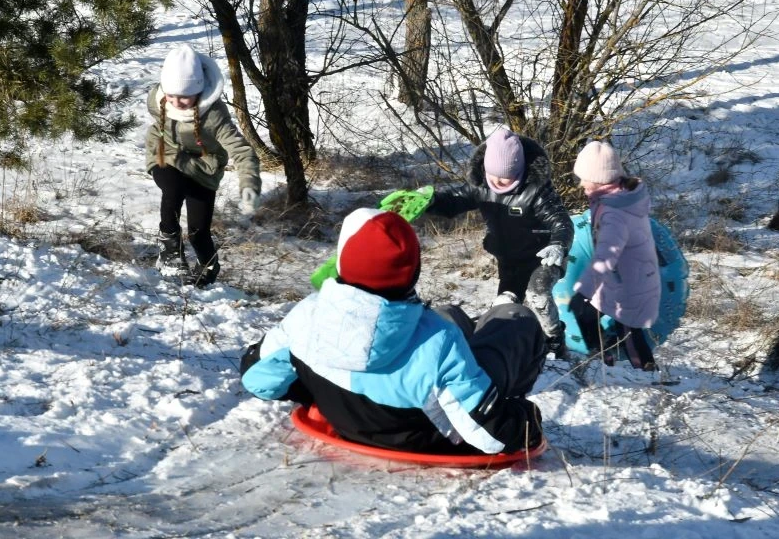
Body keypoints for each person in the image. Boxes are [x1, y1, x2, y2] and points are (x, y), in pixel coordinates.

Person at [239, 208, 548, 455]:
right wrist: (527, 418)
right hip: (426, 438)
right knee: (514, 319)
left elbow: (257, 378)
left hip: (345, 420)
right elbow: (494, 436)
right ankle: (507, 330)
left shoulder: (306, 315)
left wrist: (314, 388)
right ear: (413, 273)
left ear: (342, 264)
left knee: (449, 314)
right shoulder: (440, 343)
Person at [424, 127, 574, 352]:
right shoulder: (481, 186)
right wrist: (430, 201)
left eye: (508, 177)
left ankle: (554, 340)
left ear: (521, 170)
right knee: (506, 303)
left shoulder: (538, 190)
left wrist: (558, 245)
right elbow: (454, 201)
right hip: (509, 258)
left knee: (537, 295)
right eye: (494, 176)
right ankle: (515, 346)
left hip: (543, 257)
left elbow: (561, 222)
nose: (500, 183)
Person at [145, 44, 261, 286]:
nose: (177, 102)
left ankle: (208, 271)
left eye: (184, 96)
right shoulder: (158, 100)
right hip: (166, 156)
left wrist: (249, 184)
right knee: (172, 186)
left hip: (203, 170)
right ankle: (169, 249)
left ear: (199, 90)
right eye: (172, 95)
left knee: (198, 233)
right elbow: (157, 127)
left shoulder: (214, 115)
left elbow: (241, 151)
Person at [569, 141, 661, 370]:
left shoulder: (615, 214)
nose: (581, 184)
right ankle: (604, 359)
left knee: (629, 335)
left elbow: (605, 256)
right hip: (623, 278)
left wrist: (584, 290)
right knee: (587, 315)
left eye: (585, 179)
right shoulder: (618, 196)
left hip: (632, 287)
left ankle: (650, 375)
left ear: (600, 179)